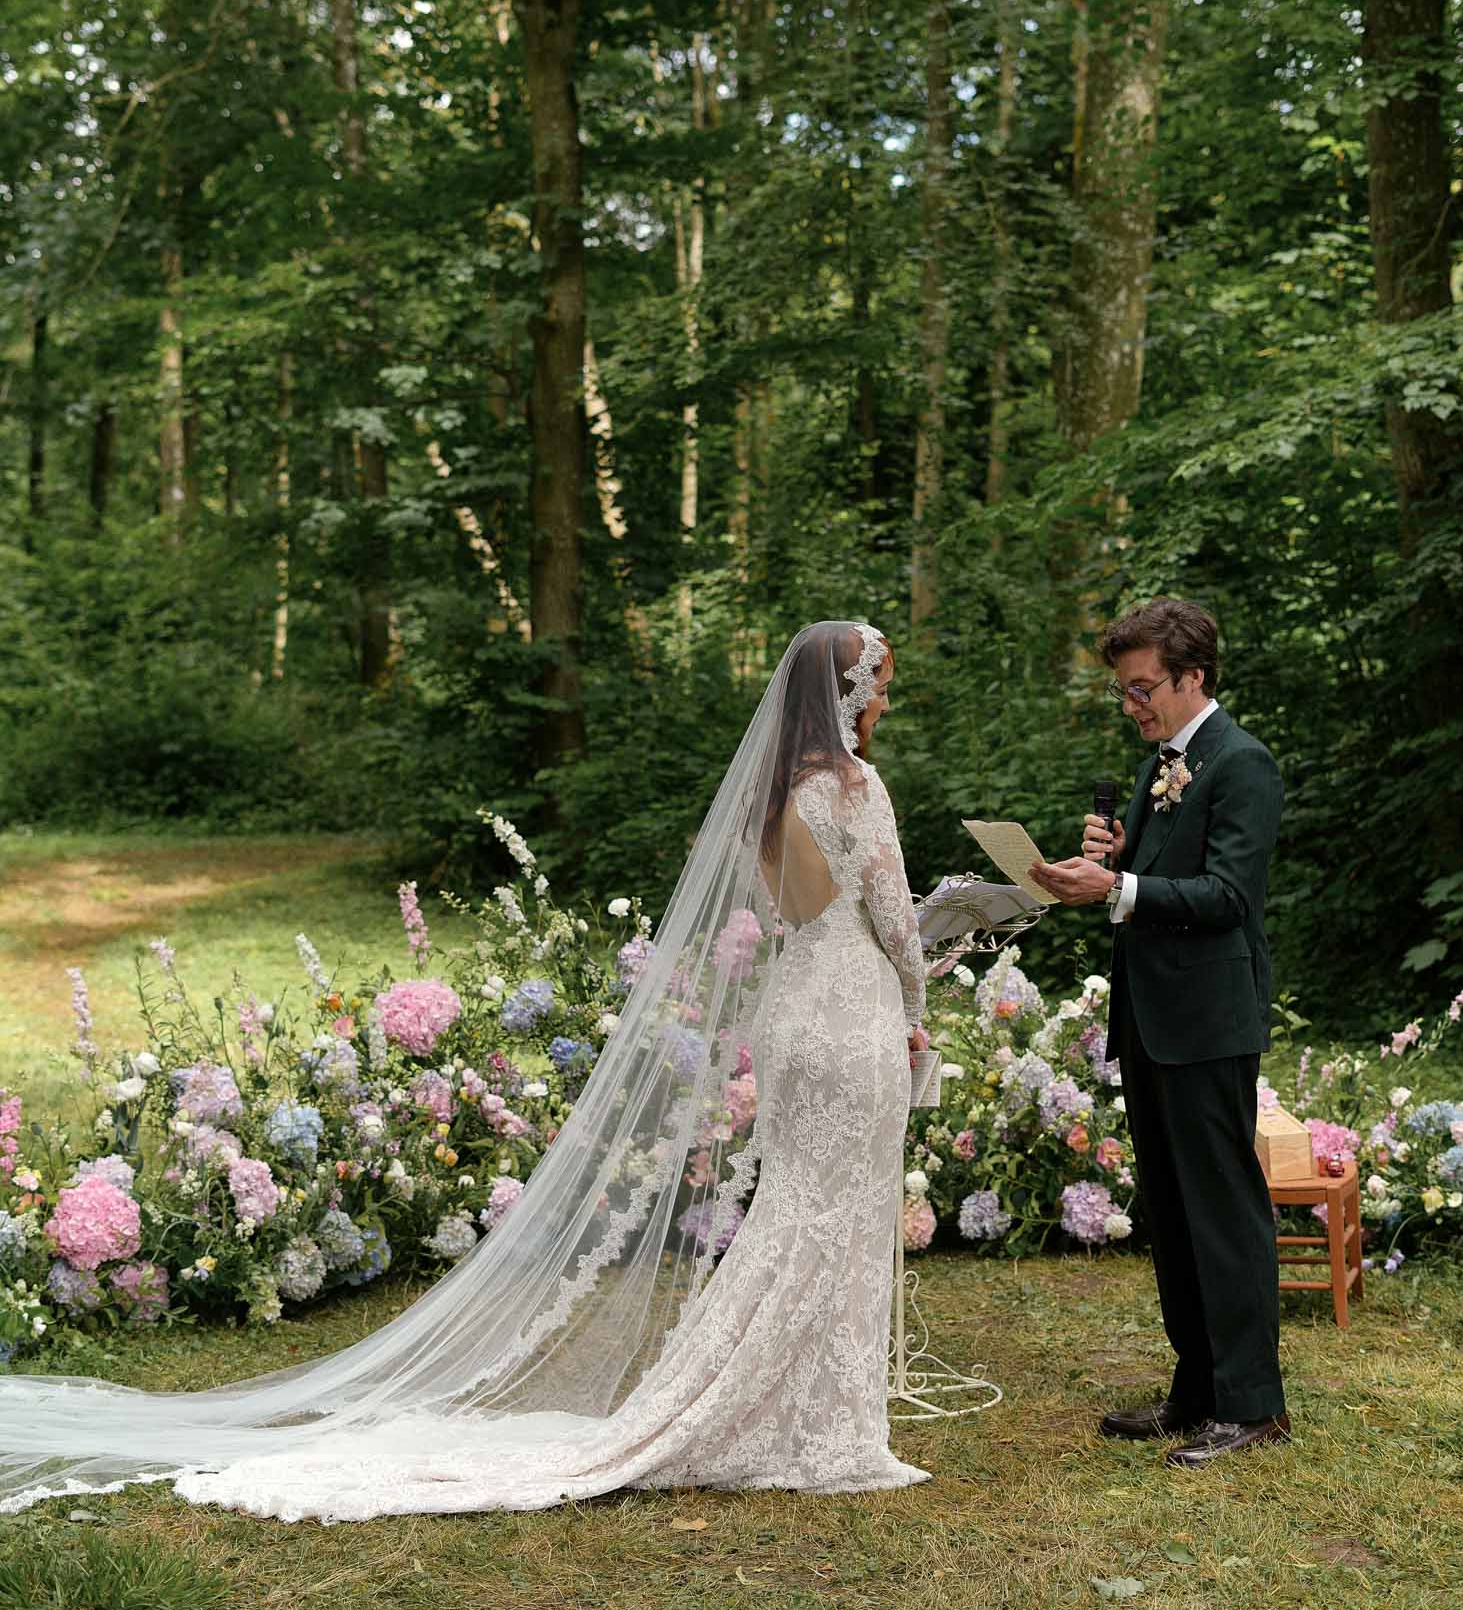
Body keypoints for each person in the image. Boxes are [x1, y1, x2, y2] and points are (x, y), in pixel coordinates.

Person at [0, 622, 939, 1521]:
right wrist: (918, 1002)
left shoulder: (771, 792)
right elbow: (892, 922)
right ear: (846, 695)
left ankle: (782, 1406)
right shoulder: (856, 788)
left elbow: (799, 912)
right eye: (881, 688)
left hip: (794, 1017)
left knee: (795, 1210)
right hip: (853, 1010)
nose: (886, 704)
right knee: (840, 1211)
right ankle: (825, 1422)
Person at [1029, 597, 1289, 1468]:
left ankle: (1253, 1402)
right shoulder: (1158, 768)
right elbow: (1140, 882)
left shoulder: (1241, 764)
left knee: (1222, 1212)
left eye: (1143, 690)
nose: (1132, 705)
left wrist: (1117, 890)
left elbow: (1226, 899)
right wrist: (1101, 865)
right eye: (1123, 693)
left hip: (1208, 1023)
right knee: (1172, 1214)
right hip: (1149, 1018)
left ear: (1191, 678)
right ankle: (1195, 1388)